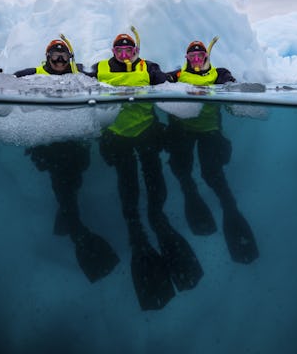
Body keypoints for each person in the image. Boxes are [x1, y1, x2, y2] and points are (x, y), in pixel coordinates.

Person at [0, 40, 120, 283]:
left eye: (64, 56)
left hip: (74, 150)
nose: (59, 61)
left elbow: (104, 82)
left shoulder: (79, 76)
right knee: (65, 188)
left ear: (70, 58)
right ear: (47, 57)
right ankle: (76, 230)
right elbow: (11, 82)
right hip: (52, 152)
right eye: (55, 56)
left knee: (68, 189)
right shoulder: (34, 74)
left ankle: (73, 225)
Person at [92, 31, 203, 310]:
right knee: (127, 182)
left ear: (137, 51)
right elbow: (71, 75)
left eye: (130, 50)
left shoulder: (149, 67)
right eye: (120, 50)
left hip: (147, 134)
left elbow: (168, 80)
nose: (125, 55)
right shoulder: (99, 69)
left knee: (154, 182)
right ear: (113, 51)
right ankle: (136, 229)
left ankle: (156, 218)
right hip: (119, 139)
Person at [165, 40, 259, 264]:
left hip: (209, 132)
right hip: (184, 131)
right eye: (192, 57)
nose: (196, 61)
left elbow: (230, 83)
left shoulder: (220, 73)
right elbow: (161, 81)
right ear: (186, 59)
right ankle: (192, 194)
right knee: (182, 171)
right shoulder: (178, 75)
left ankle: (229, 207)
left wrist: (229, 86)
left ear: (207, 57)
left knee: (211, 174)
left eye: (200, 56)